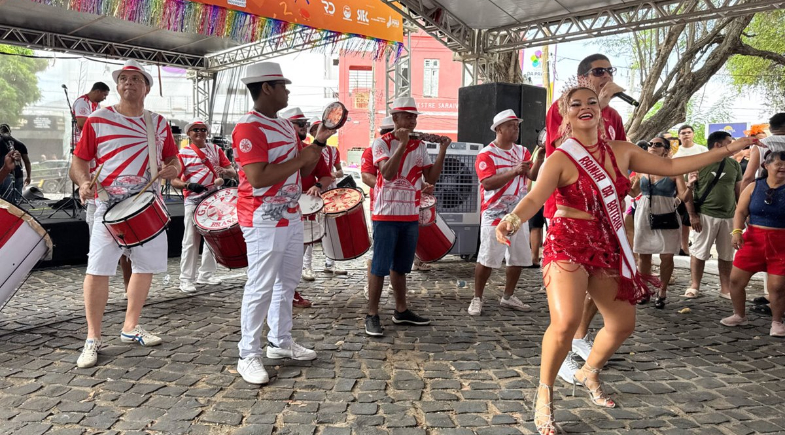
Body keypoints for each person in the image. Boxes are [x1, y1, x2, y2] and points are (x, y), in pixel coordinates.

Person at [495, 81, 755, 434]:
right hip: (567, 242)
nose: (585, 106)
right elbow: (534, 198)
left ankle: (589, 372)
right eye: (576, 104)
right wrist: (512, 220)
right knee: (566, 321)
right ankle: (544, 394)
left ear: (600, 112)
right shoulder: (560, 156)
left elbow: (678, 166)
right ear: (566, 115)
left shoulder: (623, 151)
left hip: (606, 243)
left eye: (591, 102)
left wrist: (729, 150)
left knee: (622, 324)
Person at [69, 60, 180, 368]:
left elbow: (173, 158)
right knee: (98, 269)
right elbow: (79, 163)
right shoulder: (98, 119)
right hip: (108, 206)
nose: (128, 83)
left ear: (146, 87)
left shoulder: (157, 123)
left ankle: (130, 327)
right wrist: (82, 184)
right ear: (117, 87)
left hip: (147, 204)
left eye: (135, 79)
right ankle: (92, 337)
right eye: (123, 79)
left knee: (145, 267)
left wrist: (173, 168)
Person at [231, 62, 330, 385]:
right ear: (267, 88)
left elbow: (301, 171)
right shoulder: (249, 128)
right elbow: (258, 177)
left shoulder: (288, 127)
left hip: (290, 214)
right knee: (260, 285)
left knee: (287, 282)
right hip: (261, 217)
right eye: (283, 86)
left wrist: (318, 143)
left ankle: (280, 342)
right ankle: (248, 354)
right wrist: (303, 158)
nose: (288, 91)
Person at [543, 54, 627, 382]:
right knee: (570, 290)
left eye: (610, 70)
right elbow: (563, 148)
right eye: (599, 71)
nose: (606, 75)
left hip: (605, 217)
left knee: (601, 285)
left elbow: (617, 155)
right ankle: (563, 345)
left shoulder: (616, 116)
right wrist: (600, 103)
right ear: (582, 78)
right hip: (568, 212)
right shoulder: (560, 109)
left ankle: (579, 336)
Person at [365, 96, 450, 336]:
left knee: (401, 267)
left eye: (414, 116)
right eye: (408, 116)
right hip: (385, 215)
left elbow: (430, 179)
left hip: (410, 215)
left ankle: (401, 311)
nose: (412, 120)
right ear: (395, 119)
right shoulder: (380, 143)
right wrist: (401, 144)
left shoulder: (421, 146)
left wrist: (442, 151)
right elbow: (389, 174)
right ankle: (372, 314)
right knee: (379, 267)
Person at [469, 109, 545, 316]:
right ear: (499, 129)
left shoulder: (522, 151)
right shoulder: (486, 154)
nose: (516, 129)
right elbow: (487, 183)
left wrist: (541, 156)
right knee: (487, 258)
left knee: (518, 258)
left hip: (518, 213)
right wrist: (513, 171)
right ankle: (477, 297)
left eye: (517, 125)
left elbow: (533, 175)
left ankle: (508, 296)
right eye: (511, 125)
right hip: (494, 213)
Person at [721, 150, 785, 336]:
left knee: (777, 287)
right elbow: (740, 212)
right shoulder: (753, 187)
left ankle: (777, 322)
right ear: (766, 165)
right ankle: (739, 315)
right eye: (779, 164)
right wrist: (736, 232)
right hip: (753, 240)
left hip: (781, 243)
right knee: (735, 280)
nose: (783, 168)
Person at [171, 120, 235, 293]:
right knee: (191, 240)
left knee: (213, 238)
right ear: (189, 134)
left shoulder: (216, 150)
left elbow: (232, 171)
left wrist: (224, 172)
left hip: (214, 199)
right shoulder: (182, 154)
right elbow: (174, 180)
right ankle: (186, 279)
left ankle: (206, 274)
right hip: (193, 200)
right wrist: (188, 185)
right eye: (195, 130)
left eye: (202, 130)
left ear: (207, 132)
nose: (199, 132)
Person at [281, 106, 334, 308]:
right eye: (299, 124)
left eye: (305, 124)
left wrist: (318, 185)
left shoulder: (310, 151)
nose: (304, 127)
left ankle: (291, 292)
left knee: (296, 254)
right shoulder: (276, 150)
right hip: (276, 210)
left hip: (303, 209)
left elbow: (327, 175)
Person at [634, 136, 693, 309]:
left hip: (667, 212)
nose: (652, 146)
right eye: (650, 144)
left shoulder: (674, 170)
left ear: (666, 150)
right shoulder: (641, 169)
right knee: (643, 254)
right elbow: (632, 192)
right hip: (644, 212)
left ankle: (662, 290)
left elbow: (683, 197)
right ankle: (644, 290)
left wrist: (691, 186)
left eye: (657, 144)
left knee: (667, 255)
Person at [682, 131, 743, 299]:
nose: (732, 145)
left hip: (729, 216)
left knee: (726, 254)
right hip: (705, 215)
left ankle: (725, 288)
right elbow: (688, 194)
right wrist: (693, 215)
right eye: (729, 142)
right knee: (699, 252)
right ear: (718, 145)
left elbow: (738, 191)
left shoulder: (734, 165)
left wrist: (741, 215)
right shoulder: (698, 163)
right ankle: (695, 285)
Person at [673, 125, 706, 256]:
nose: (686, 135)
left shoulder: (702, 150)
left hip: (702, 189)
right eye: (683, 133)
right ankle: (684, 247)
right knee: (683, 221)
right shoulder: (676, 154)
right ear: (679, 136)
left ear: (693, 134)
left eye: (688, 132)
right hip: (683, 190)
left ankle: (700, 248)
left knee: (700, 220)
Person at [0, 124, 31, 204]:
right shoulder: (20, 144)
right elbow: (27, 162)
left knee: (5, 201)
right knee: (15, 203)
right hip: (16, 173)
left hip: (5, 174)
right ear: (10, 131)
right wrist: (28, 176)